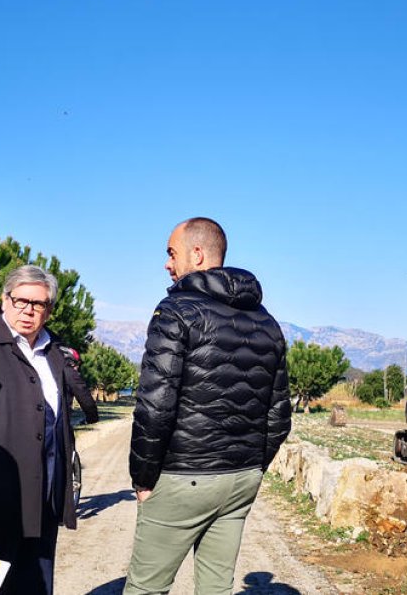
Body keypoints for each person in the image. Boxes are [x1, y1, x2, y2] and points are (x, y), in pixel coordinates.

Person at [125, 217, 291, 595]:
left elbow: (155, 405)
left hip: (186, 474)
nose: (167, 264)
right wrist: (252, 463)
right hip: (242, 477)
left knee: (146, 588)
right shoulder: (268, 323)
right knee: (216, 587)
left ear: (197, 254)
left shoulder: (176, 310)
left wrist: (143, 478)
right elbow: (279, 414)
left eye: (171, 253)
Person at [0, 265, 93, 595]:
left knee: (36, 586)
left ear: (49, 309)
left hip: (43, 502)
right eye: (20, 300)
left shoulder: (53, 352)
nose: (28, 309)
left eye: (38, 304)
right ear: (4, 299)